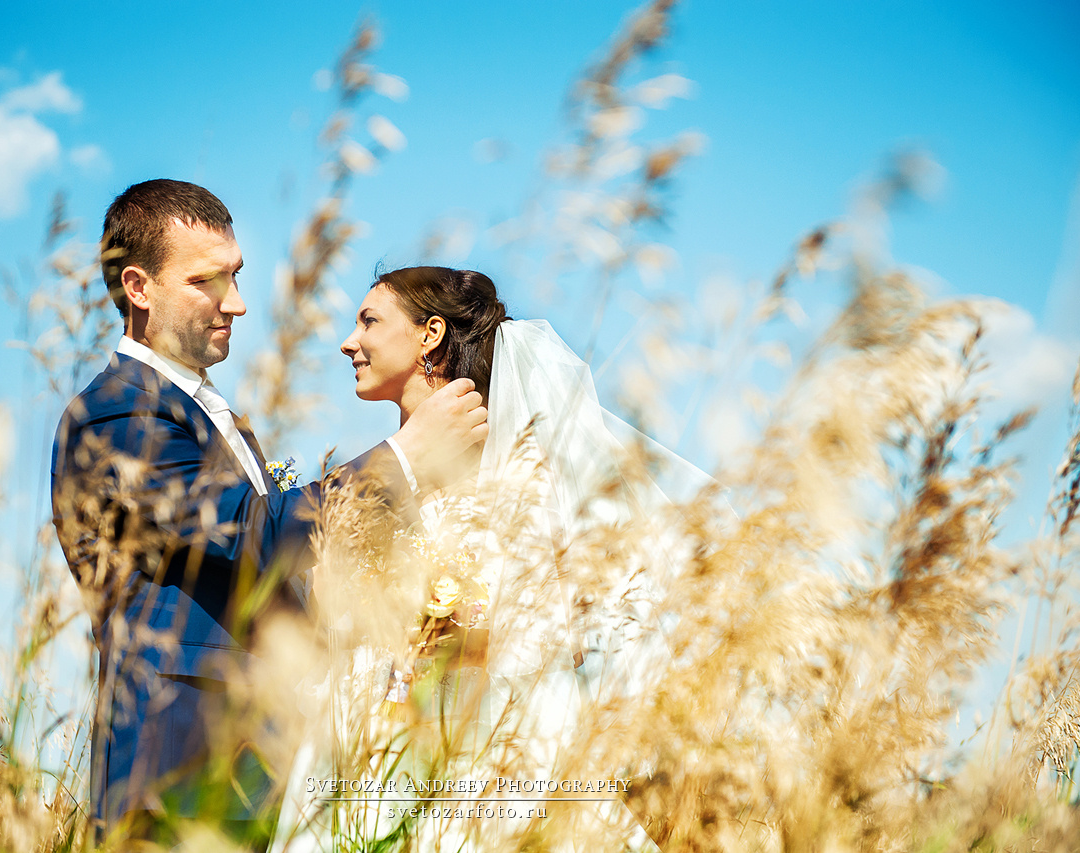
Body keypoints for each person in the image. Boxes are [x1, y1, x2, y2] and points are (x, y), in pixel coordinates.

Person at [50, 185, 488, 843]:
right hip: (179, 769)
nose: (238, 302)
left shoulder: (214, 416)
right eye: (207, 280)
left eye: (237, 275)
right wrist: (405, 456)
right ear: (139, 287)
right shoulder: (118, 411)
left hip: (258, 767)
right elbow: (249, 535)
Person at [274, 266, 716, 850]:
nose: (347, 341)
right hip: (359, 760)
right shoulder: (372, 486)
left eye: (369, 321)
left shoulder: (506, 484)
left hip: (469, 767)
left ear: (430, 333)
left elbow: (543, 638)